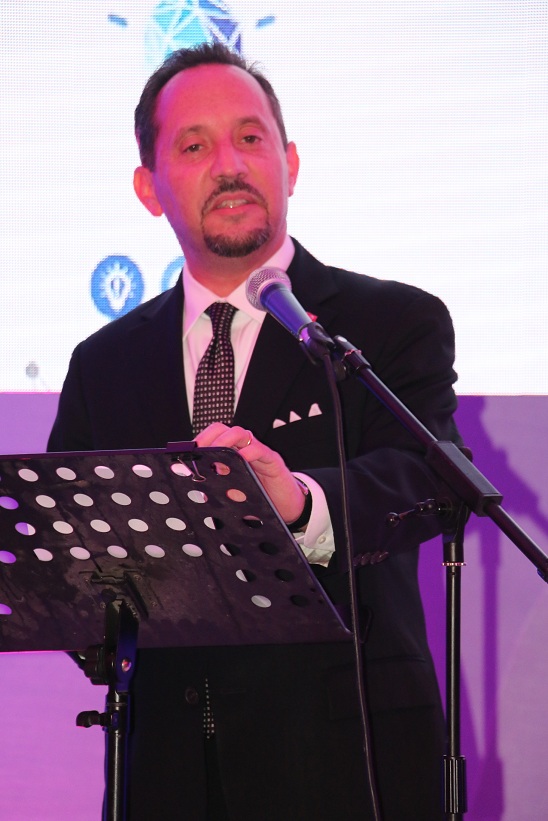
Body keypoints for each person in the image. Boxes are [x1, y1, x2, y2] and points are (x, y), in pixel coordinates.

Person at [48, 42, 462, 820]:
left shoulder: (389, 322)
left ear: (290, 162)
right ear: (148, 188)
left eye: (249, 137)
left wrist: (298, 502)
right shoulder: (103, 364)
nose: (230, 165)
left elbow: (431, 476)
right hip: (165, 775)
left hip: (347, 767)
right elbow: (69, 567)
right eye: (194, 146)